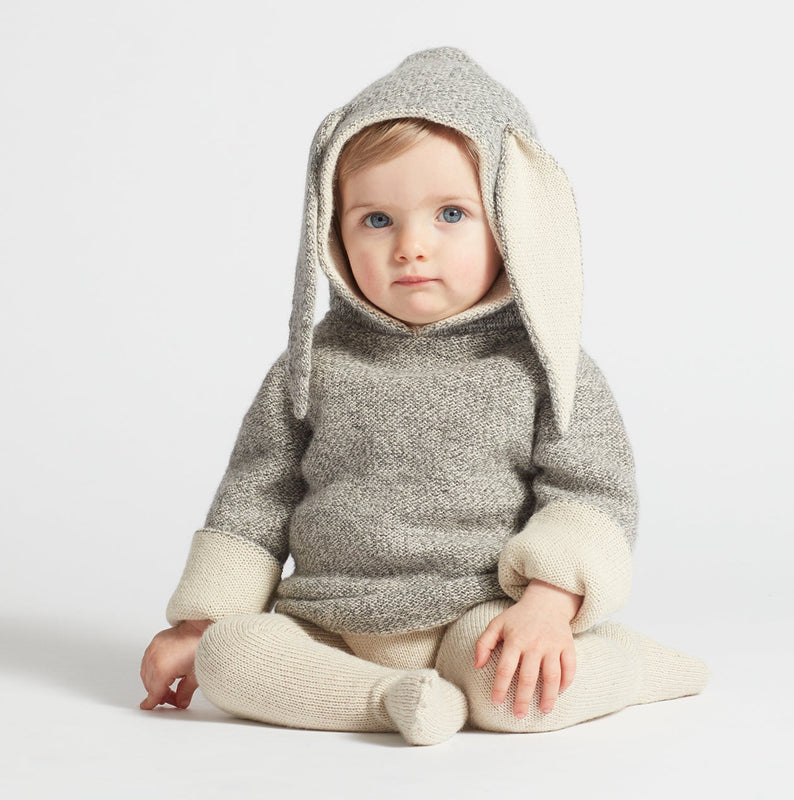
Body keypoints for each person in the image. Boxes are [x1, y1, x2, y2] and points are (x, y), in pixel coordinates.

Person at [139, 46, 710, 746]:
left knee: (512, 695)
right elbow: (257, 493)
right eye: (377, 220)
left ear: (511, 219)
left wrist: (547, 604)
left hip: (481, 613)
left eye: (450, 214)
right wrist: (198, 621)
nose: (412, 246)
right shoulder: (312, 363)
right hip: (327, 617)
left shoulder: (543, 364)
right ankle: (391, 699)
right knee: (228, 657)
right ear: (333, 230)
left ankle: (627, 665)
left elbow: (590, 493)